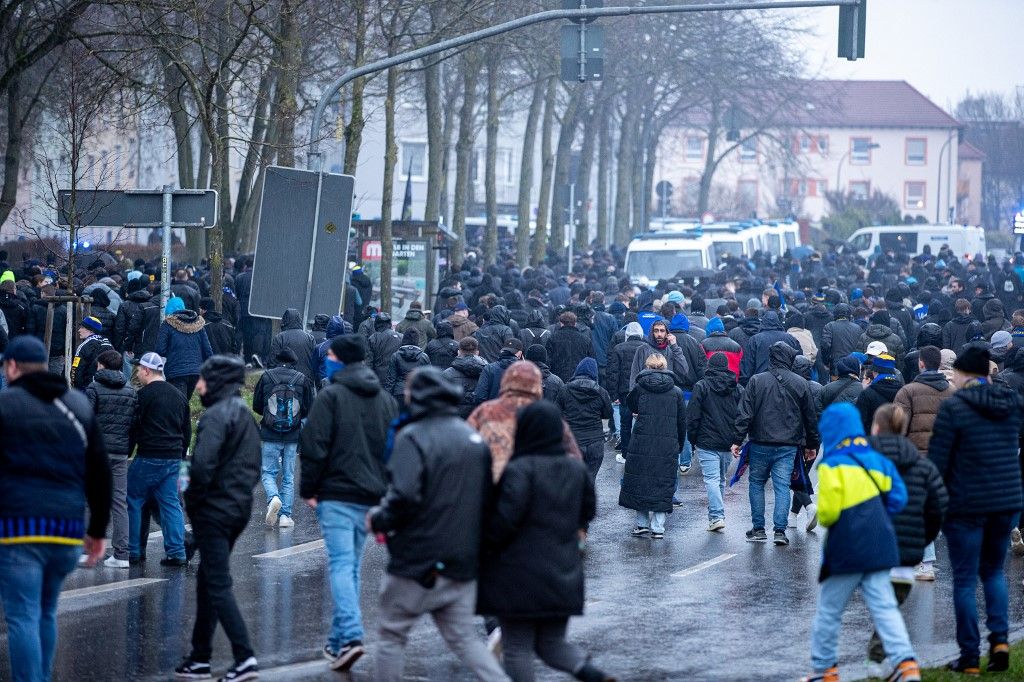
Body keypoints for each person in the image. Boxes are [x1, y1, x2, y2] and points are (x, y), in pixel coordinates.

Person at [368, 368, 510, 682]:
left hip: (417, 562)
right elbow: (488, 499)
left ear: (417, 397)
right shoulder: (472, 438)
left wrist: (378, 519)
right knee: (464, 640)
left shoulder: (413, 437)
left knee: (392, 635)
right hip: (462, 562)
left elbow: (402, 496)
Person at [0, 335, 111, 682]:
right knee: (46, 611)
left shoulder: (5, 404)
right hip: (66, 530)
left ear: (13, 366)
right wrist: (97, 531)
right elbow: (100, 471)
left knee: (22, 616)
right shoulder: (77, 405)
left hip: (19, 528)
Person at [478, 401, 612, 682]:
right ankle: (594, 675)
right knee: (552, 644)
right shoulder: (576, 470)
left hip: (519, 573)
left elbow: (503, 522)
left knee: (516, 648)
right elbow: (588, 512)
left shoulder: (519, 469)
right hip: (563, 570)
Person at [801, 402, 920, 682]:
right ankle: (907, 665)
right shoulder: (878, 459)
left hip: (846, 550)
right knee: (884, 608)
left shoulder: (831, 465)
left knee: (829, 611)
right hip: (881, 547)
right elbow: (899, 498)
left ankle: (824, 671)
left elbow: (828, 514)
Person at [300, 334, 398, 672]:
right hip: (371, 496)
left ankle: (353, 636)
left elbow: (314, 446)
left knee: (341, 565)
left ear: (340, 360)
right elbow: (392, 451)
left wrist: (308, 489)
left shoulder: (330, 397)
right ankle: (338, 642)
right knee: (351, 566)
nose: (325, 359)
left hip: (337, 494)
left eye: (329, 355)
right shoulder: (385, 400)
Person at [928, 346, 1023, 674]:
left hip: (966, 503)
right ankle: (999, 642)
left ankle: (969, 655)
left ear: (965, 374)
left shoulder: (955, 408)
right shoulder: (1012, 404)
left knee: (965, 579)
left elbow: (938, 461)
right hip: (1006, 500)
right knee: (994, 571)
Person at [174, 356, 261, 682]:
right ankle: (200, 657)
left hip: (214, 510)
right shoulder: (245, 416)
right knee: (209, 581)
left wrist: (194, 503)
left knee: (219, 584)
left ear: (216, 382)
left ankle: (244, 657)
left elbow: (201, 467)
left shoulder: (216, 416)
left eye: (202, 380)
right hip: (237, 507)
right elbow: (253, 468)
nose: (197, 386)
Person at [865, 404, 948, 666]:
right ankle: (886, 661)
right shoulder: (922, 466)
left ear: (876, 428)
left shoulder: (860, 464)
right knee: (889, 610)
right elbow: (938, 507)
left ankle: (887, 662)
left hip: (867, 554)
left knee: (877, 609)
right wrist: (922, 540)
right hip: (904, 558)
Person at [733, 342, 819, 546]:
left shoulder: (756, 381)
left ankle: (759, 528)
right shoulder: (800, 383)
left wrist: (737, 439)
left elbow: (745, 413)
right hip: (788, 444)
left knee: (756, 484)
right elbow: (810, 418)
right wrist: (811, 445)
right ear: (789, 358)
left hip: (760, 442)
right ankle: (780, 530)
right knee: (782, 486)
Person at [468, 361, 581, 484]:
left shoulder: (485, 410)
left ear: (505, 381)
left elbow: (465, 445)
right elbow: (574, 459)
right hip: (535, 486)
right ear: (537, 384)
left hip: (490, 483)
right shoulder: (548, 415)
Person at [128, 351, 191, 566]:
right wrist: (180, 456)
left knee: (135, 500)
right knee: (171, 504)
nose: (137, 372)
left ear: (147, 370)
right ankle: (176, 552)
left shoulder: (143, 396)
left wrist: (129, 451)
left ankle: (135, 551)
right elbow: (187, 430)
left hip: (148, 456)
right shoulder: (178, 395)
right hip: (173, 458)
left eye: (138, 369)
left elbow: (134, 427)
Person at [619, 354, 686, 540]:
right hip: (667, 443)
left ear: (647, 367)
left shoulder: (640, 388)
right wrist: (679, 444)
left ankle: (641, 524)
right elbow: (681, 421)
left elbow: (630, 404)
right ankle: (658, 527)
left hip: (642, 441)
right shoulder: (676, 392)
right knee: (662, 482)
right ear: (665, 367)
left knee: (641, 481)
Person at [84, 349, 137, 568]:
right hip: (120, 453)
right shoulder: (131, 391)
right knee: (119, 502)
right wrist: (128, 449)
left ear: (102, 366)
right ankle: (122, 554)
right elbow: (134, 425)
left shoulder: (93, 388)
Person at [252, 347, 315, 529]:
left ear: (277, 360)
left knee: (268, 473)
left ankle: (273, 497)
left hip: (270, 433)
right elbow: (307, 409)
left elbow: (257, 405)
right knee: (288, 476)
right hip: (293, 434)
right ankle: (285, 517)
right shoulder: (302, 379)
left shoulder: (267, 377)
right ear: (294, 362)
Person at [687, 352, 742, 532]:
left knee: (711, 479)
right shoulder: (736, 387)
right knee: (719, 479)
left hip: (706, 440)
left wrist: (692, 438)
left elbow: (693, 416)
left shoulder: (701, 386)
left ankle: (717, 516)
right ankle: (715, 516)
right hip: (728, 441)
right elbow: (742, 415)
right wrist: (738, 438)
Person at [555, 357, 613, 480]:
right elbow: (608, 414)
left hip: (572, 441)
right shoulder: (601, 392)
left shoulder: (565, 389)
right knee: (589, 481)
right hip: (595, 442)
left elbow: (556, 413)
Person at [156, 296, 214, 400]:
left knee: (178, 403)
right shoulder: (198, 324)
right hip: (195, 371)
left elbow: (160, 349)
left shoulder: (167, 324)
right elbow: (208, 350)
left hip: (175, 371)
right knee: (185, 401)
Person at [607, 322, 645, 455]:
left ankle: (625, 452)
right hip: (642, 390)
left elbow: (613, 373)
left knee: (625, 423)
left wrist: (613, 394)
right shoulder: (646, 347)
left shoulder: (618, 348)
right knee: (643, 421)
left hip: (624, 391)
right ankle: (640, 451)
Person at [739, 310, 801, 385]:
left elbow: (747, 367)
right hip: (787, 383)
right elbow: (799, 362)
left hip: (761, 384)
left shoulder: (755, 340)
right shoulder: (791, 339)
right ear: (778, 322)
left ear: (763, 323)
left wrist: (747, 386)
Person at [855, 353, 903, 433]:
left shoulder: (866, 394)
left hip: (872, 441)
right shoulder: (904, 391)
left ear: (874, 372)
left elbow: (859, 423)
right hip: (898, 441)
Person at [270, 308, 317, 386]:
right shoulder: (310, 338)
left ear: (284, 320)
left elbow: (272, 362)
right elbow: (314, 362)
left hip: (282, 383)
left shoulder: (279, 337)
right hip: (305, 382)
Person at [443, 337, 488, 418]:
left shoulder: (447, 373)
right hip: (479, 417)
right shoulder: (487, 371)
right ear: (477, 352)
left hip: (455, 418)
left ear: (458, 352)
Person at [384, 329, 430, 408]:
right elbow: (428, 379)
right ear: (417, 340)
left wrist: (386, 399)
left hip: (399, 393)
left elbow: (391, 379)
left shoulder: (396, 356)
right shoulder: (424, 357)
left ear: (404, 339)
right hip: (417, 393)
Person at [545, 311, 593, 383]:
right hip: (579, 379)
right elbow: (591, 361)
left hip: (558, 378)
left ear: (561, 323)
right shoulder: (585, 340)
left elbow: (548, 361)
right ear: (575, 323)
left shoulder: (553, 338)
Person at [71, 315, 113, 389]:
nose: (79, 330)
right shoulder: (108, 343)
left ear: (91, 330)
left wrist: (76, 387)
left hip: (87, 388)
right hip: (106, 387)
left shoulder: (84, 345)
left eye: (82, 327)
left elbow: (76, 369)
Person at [820, 304, 861, 374]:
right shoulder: (857, 328)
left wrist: (826, 362)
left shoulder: (830, 326)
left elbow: (825, 345)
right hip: (854, 367)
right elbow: (860, 348)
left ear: (835, 314)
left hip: (836, 367)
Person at [367, 313, 401, 382]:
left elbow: (369, 362)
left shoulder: (373, 338)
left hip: (379, 378)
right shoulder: (400, 337)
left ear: (376, 324)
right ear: (390, 324)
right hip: (396, 378)